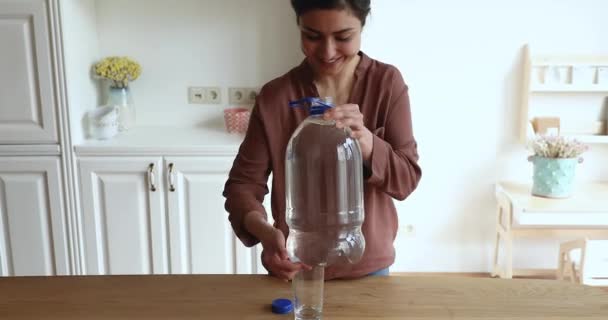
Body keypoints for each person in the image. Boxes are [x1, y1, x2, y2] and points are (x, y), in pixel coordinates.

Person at [223, 0, 421, 281]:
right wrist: (266, 233)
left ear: (362, 26)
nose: (327, 52)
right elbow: (242, 186)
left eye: (343, 37)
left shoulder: (387, 84)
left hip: (368, 269)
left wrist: (367, 144)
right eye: (312, 36)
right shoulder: (276, 97)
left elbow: (406, 178)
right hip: (297, 268)